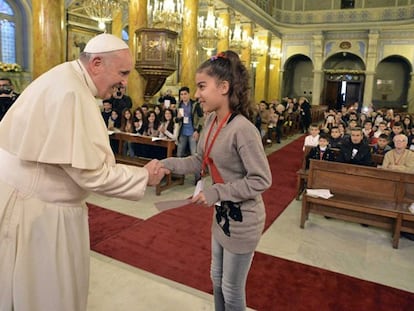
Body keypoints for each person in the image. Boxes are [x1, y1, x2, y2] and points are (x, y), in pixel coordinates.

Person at [0, 33, 168, 311]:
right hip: (40, 214)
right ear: (97, 64)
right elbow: (92, 174)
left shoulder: (64, 78)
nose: (125, 82)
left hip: (31, 201)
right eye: (123, 72)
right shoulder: (72, 93)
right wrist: (143, 176)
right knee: (46, 295)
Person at [161, 51, 272, 311]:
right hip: (223, 216)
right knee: (217, 279)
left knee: (232, 291)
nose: (197, 94)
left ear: (224, 87)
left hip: (243, 219)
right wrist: (166, 164)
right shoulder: (211, 120)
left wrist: (216, 192)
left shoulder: (243, 129)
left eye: (202, 87)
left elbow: (261, 180)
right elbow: (199, 161)